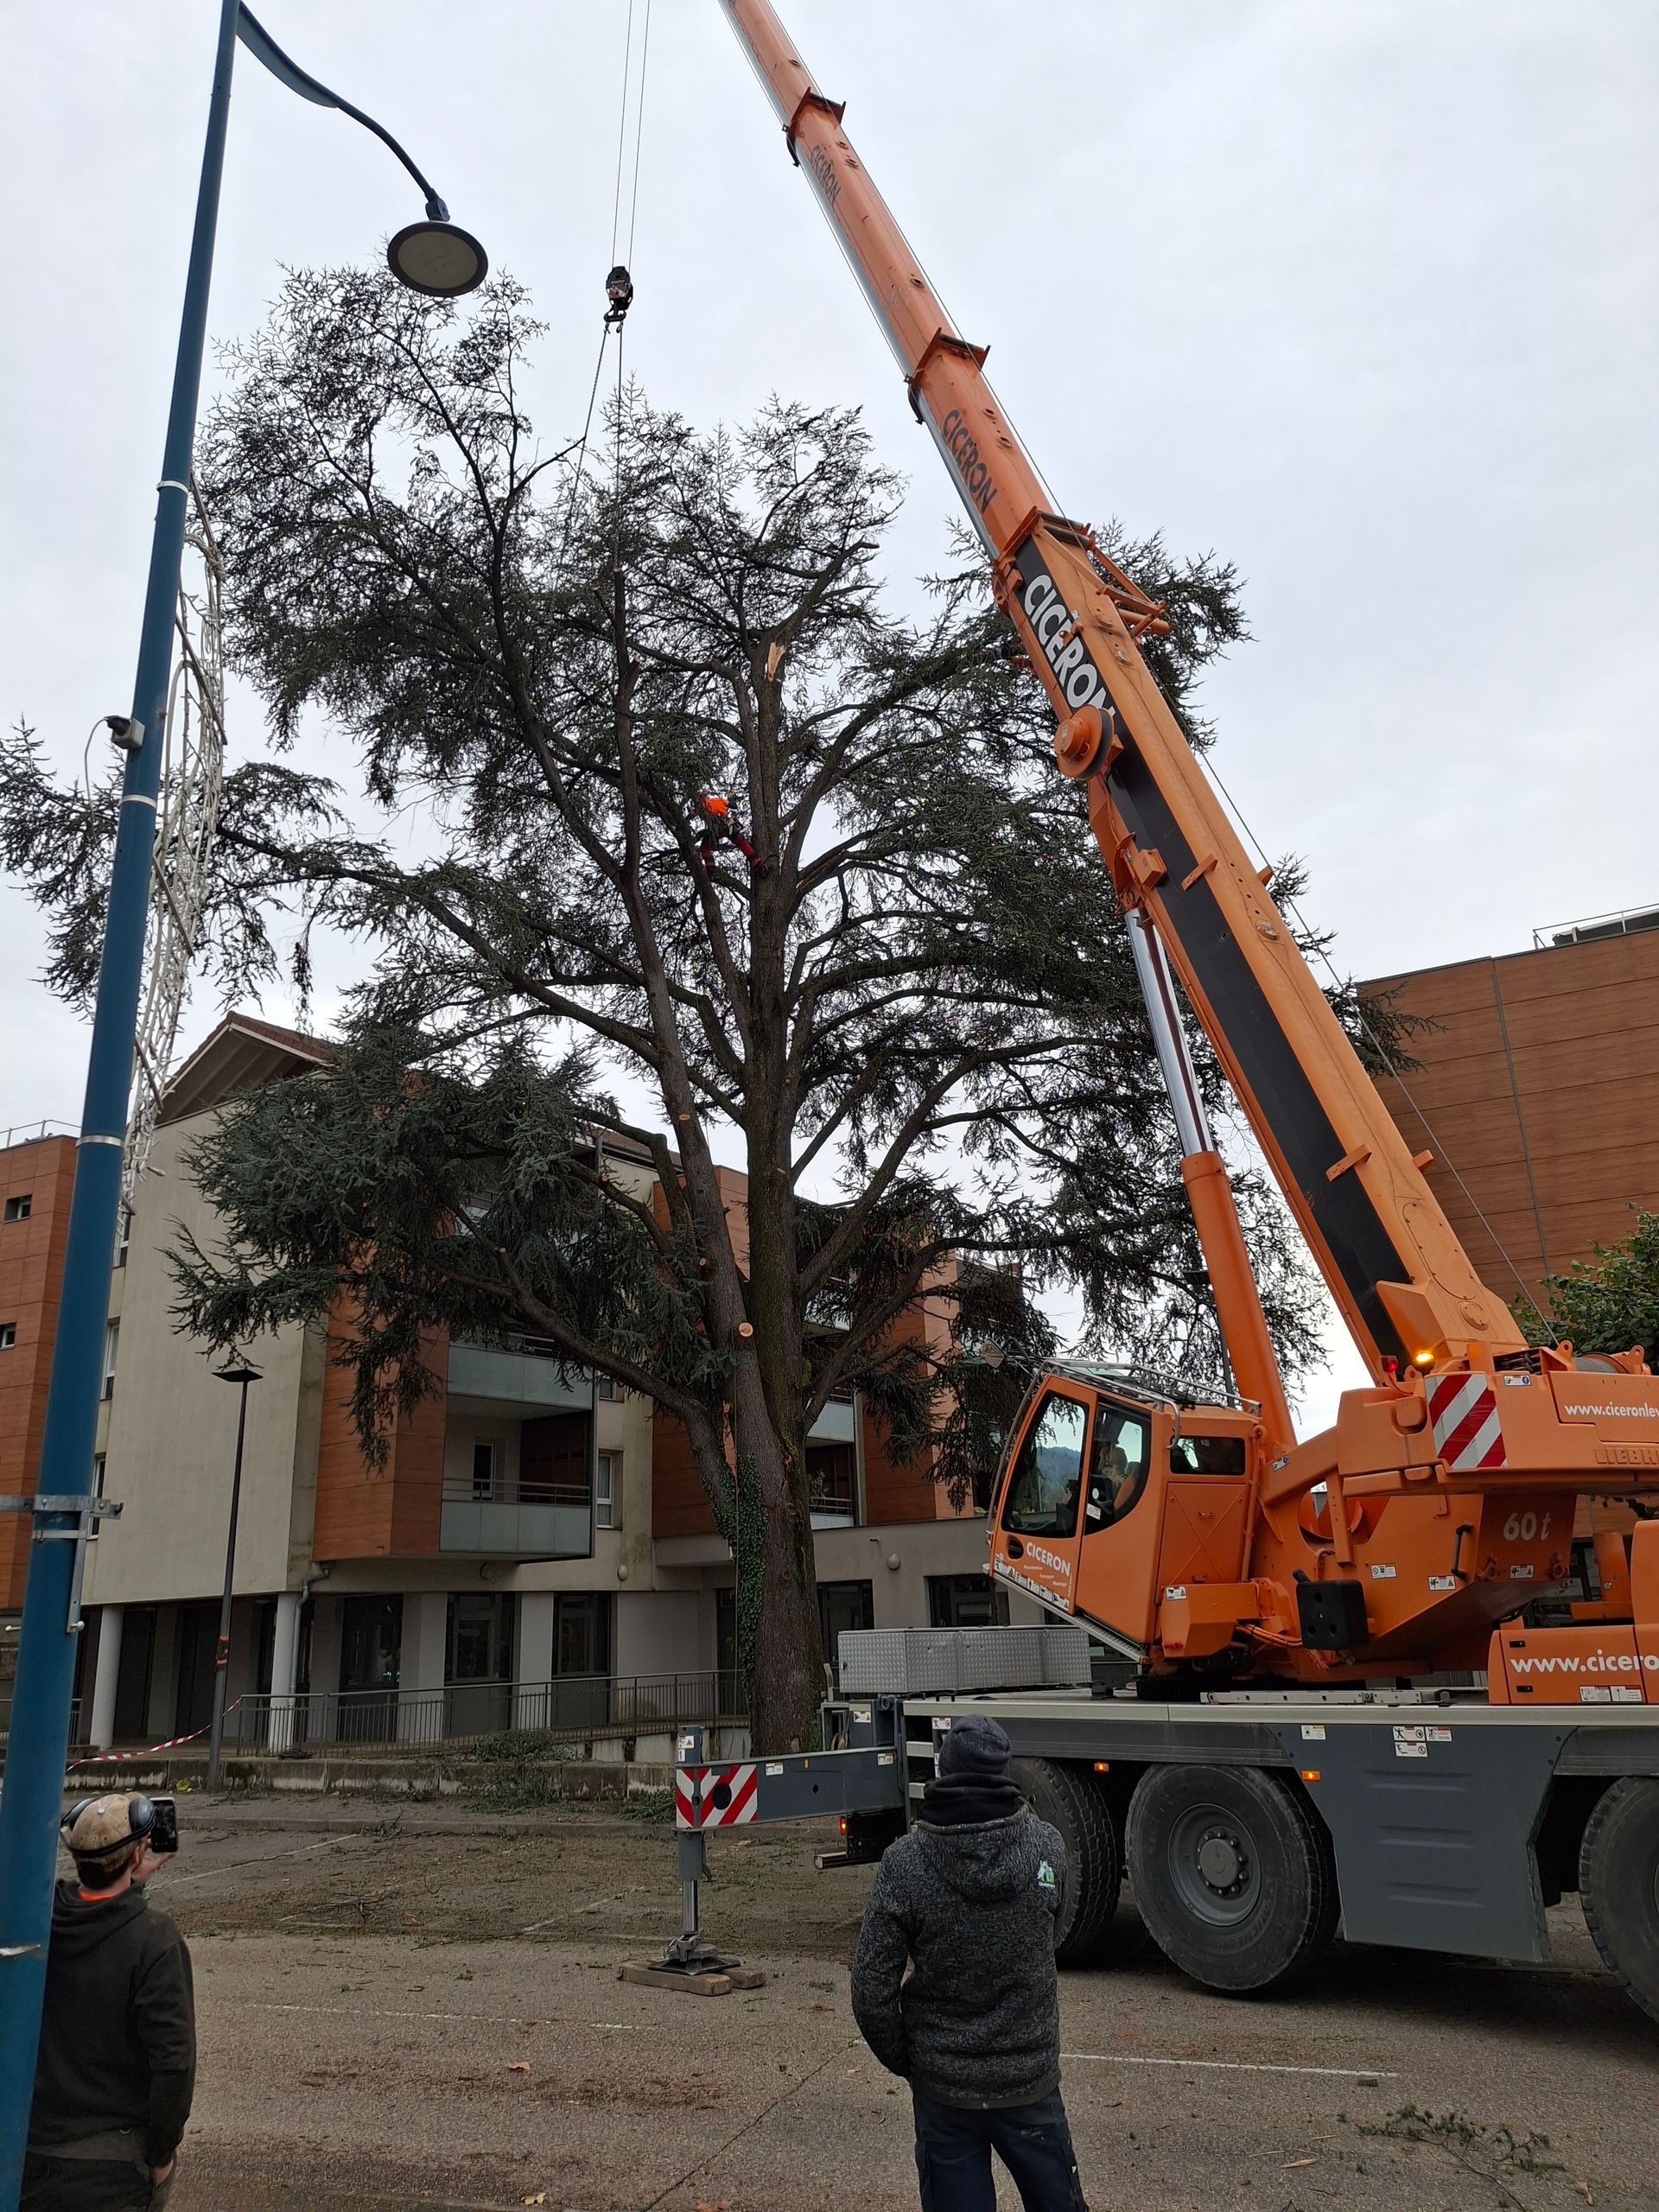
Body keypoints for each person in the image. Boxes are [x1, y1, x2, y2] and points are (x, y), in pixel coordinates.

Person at [851, 1714, 1089, 2211]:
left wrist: (912, 2058)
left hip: (945, 2091)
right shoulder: (1048, 1847)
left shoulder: (905, 1862)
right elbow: (1054, 1927)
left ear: (943, 1769)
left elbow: (871, 1990)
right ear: (1006, 1771)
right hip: (1030, 2084)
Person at [23, 1794, 194, 2211]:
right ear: (139, 1851)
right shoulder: (154, 1940)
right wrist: (161, 2157)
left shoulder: (40, 1923)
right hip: (112, 2168)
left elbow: (90, 1905)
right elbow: (173, 2061)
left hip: (32, 2155)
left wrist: (131, 1880)